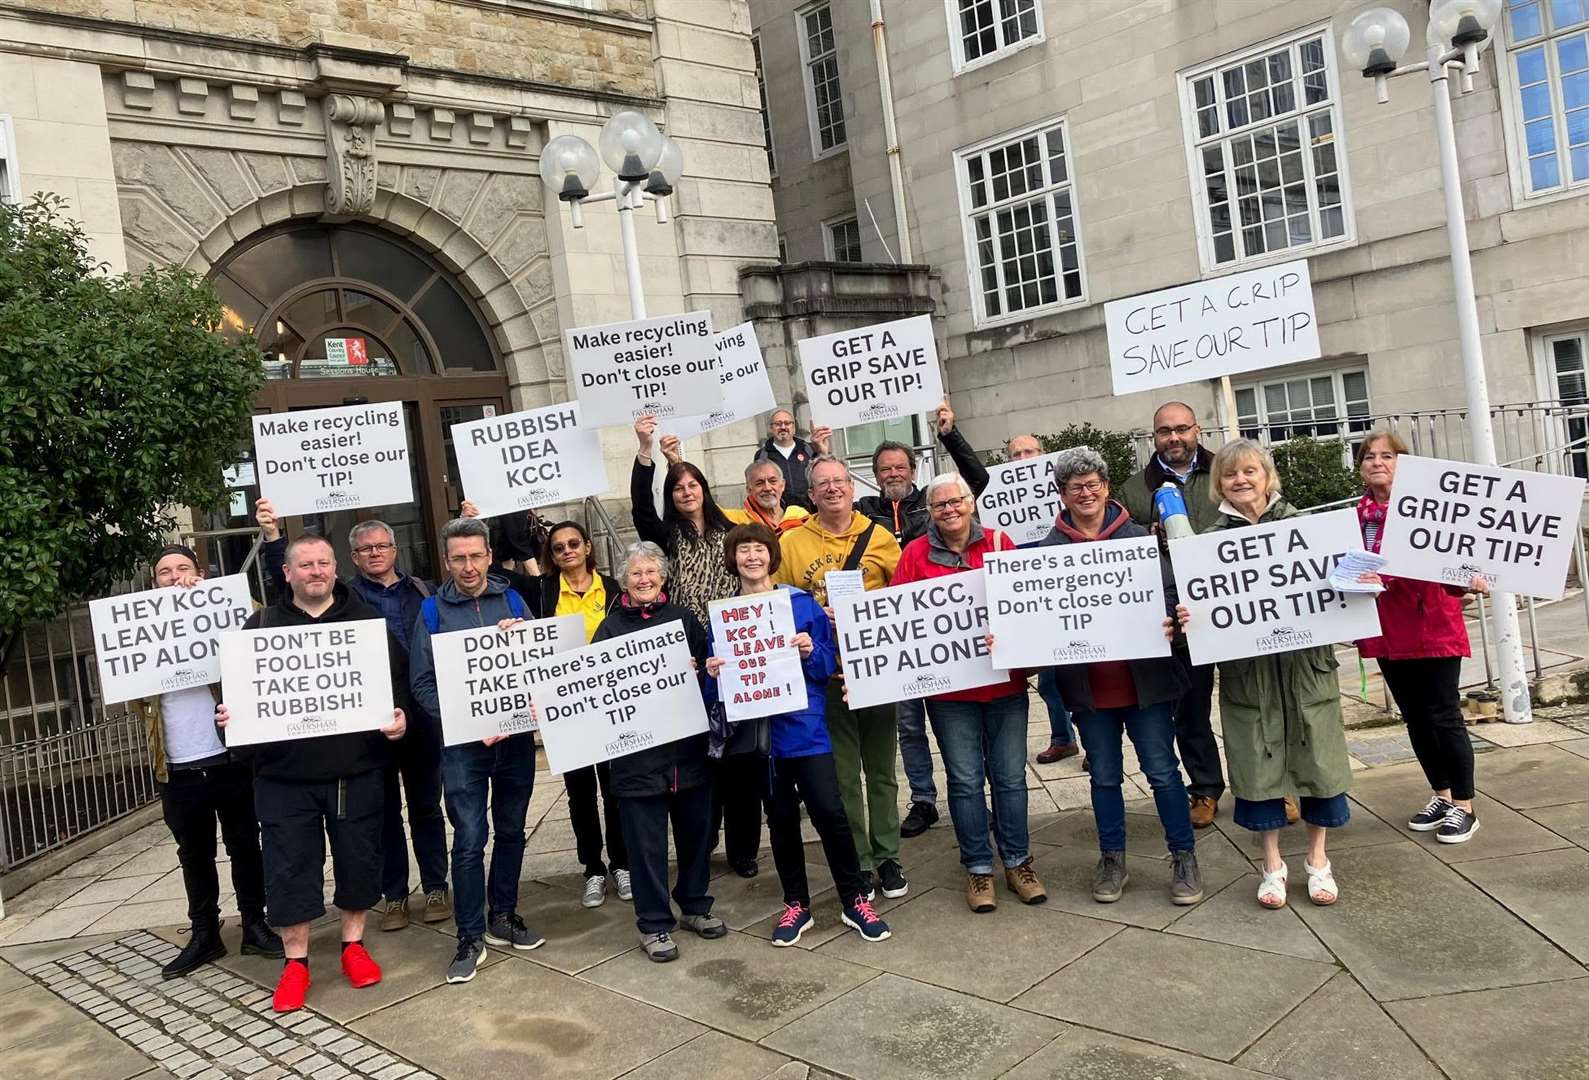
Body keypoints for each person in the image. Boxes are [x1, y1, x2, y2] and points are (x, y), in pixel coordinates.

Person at [215, 534, 409, 1013]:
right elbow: (234, 696)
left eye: (324, 562)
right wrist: (228, 719)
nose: (315, 571)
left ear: (335, 568)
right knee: (288, 868)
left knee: (358, 858)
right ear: (287, 572)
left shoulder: (366, 621)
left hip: (354, 771)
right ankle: (296, 962)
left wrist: (399, 719)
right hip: (283, 777)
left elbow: (397, 684)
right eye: (305, 564)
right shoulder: (259, 626)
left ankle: (352, 946)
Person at [256, 501, 451, 929]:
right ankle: (395, 894)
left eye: (382, 546)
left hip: (416, 717)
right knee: (381, 816)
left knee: (426, 809)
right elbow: (288, 583)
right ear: (353, 558)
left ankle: (437, 886)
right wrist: (273, 537)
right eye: (365, 549)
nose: (375, 553)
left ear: (395, 550)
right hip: (364, 730)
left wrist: (464, 520)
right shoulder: (344, 597)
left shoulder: (424, 592)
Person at [1176, 439, 1352, 909]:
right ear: (1220, 485)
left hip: (1305, 671)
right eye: (1230, 475)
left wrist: (1356, 584)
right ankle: (1271, 864)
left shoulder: (1306, 529)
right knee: (1257, 765)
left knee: (1318, 760)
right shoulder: (1207, 545)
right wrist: (1192, 616)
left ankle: (1318, 859)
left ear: (1266, 476)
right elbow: (1206, 607)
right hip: (1249, 676)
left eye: (1250, 471)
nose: (1241, 481)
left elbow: (1336, 592)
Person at [704, 524, 891, 944]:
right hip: (762, 739)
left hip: (805, 730)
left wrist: (811, 649)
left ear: (771, 556)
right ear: (733, 559)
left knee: (830, 812)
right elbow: (715, 693)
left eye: (759, 550)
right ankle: (796, 904)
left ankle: (853, 898)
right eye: (743, 551)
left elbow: (826, 667)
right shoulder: (724, 616)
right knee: (782, 819)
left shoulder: (800, 603)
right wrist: (714, 674)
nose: (752, 557)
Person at [1038, 449, 1202, 906]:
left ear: (1106, 488)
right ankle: (1112, 858)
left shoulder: (1140, 540)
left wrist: (1175, 619)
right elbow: (1034, 616)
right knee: (1104, 777)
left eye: (1092, 485)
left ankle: (1184, 855)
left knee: (1163, 773)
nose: (1086, 493)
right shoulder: (1048, 553)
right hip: (1090, 690)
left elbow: (1172, 594)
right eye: (1076, 488)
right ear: (1063, 495)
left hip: (1145, 684)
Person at [892, 473, 1045, 912]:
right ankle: (978, 868)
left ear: (971, 502)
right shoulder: (915, 554)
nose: (949, 511)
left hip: (1005, 685)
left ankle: (1018, 861)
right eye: (939, 506)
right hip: (951, 694)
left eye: (956, 502)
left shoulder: (1000, 544)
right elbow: (900, 620)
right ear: (931, 512)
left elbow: (1026, 607)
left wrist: (1012, 637)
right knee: (964, 782)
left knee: (1011, 778)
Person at [131, 545, 282, 979]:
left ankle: (255, 923)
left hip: (228, 757)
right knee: (193, 853)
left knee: (244, 845)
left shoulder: (222, 606)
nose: (174, 576)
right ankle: (204, 933)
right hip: (176, 765)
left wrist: (212, 595)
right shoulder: (142, 628)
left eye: (183, 568)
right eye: (164, 571)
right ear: (153, 581)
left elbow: (262, 621)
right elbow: (133, 693)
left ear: (200, 572)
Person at [408, 517, 546, 984]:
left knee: (511, 830)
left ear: (489, 555)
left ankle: (503, 915)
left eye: (476, 555)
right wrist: (465, 721)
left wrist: (524, 637)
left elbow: (541, 665)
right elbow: (422, 685)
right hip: (464, 747)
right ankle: (469, 935)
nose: (468, 566)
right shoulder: (431, 613)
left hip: (516, 741)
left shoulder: (513, 600)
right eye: (459, 558)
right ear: (447, 562)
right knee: (468, 840)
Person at [630, 416, 764, 877]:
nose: (686, 492)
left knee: (741, 755)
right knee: (700, 754)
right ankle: (703, 843)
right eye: (678, 488)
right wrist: (648, 453)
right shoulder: (665, 537)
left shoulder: (732, 530)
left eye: (692, 485)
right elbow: (640, 512)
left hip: (734, 646)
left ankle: (744, 848)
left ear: (704, 489)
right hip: (687, 650)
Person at [856, 399, 989, 843]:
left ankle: (968, 795)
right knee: (909, 724)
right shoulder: (864, 512)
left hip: (947, 635)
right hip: (900, 637)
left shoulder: (933, 504)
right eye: (884, 469)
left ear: (912, 471)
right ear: (876, 476)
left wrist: (949, 433)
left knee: (954, 722)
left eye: (899, 467)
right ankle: (924, 799)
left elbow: (977, 481)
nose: (892, 474)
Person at [777, 455, 908, 900]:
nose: (833, 489)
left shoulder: (882, 537)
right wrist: (816, 614)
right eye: (822, 484)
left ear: (851, 489)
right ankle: (861, 861)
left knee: (883, 771)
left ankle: (888, 854)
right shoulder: (793, 545)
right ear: (810, 495)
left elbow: (905, 594)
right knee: (845, 776)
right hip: (826, 676)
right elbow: (781, 607)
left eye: (839, 481)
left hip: (877, 669)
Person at [591, 541, 727, 962]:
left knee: (696, 837)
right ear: (624, 581)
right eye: (636, 573)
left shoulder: (685, 620)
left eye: (651, 572)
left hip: (688, 753)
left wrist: (706, 670)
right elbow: (592, 689)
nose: (644, 579)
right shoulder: (609, 629)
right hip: (636, 760)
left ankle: (694, 904)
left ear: (664, 578)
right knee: (645, 847)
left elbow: (711, 672)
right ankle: (653, 924)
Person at [1357, 430, 1488, 843]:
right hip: (1387, 629)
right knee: (1414, 716)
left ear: (1404, 465)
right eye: (1369, 456)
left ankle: (1465, 806)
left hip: (1431, 624)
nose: (1377, 462)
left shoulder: (1434, 511)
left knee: (1444, 715)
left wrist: (1470, 582)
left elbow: (1452, 565)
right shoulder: (1353, 518)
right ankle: (1442, 795)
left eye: (1387, 456)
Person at [1118, 402, 1228, 829]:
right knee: (1191, 709)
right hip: (1178, 618)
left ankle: (1274, 786)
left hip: (1235, 609)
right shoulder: (1134, 491)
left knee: (1251, 704)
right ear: (1154, 436)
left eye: (1182, 429)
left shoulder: (1229, 471)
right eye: (1165, 431)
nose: (1174, 438)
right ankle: (1205, 788)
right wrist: (1145, 540)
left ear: (1197, 430)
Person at [536, 519, 632, 906]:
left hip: (609, 702)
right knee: (579, 793)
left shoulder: (612, 588)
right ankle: (592, 867)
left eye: (574, 543)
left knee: (615, 788)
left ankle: (621, 863)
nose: (567, 551)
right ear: (552, 555)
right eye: (558, 547)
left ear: (589, 546)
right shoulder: (542, 592)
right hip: (566, 706)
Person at [1006, 433, 1079, 769]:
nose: (1023, 458)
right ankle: (1063, 739)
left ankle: (1087, 741)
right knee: (1049, 678)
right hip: (1030, 603)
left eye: (1030, 452)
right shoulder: (1002, 503)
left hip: (1069, 596)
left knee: (1077, 673)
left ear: (1044, 455)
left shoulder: (1067, 494)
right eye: (1016, 453)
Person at [755, 408, 820, 510]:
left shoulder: (808, 449)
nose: (783, 427)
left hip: (810, 511)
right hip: (779, 515)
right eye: (778, 424)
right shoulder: (763, 455)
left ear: (794, 427)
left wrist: (823, 451)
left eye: (787, 423)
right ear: (771, 428)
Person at [725, 458, 811, 533]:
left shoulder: (800, 516)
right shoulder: (736, 520)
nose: (767, 488)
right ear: (749, 490)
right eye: (759, 483)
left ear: (782, 485)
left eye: (772, 481)